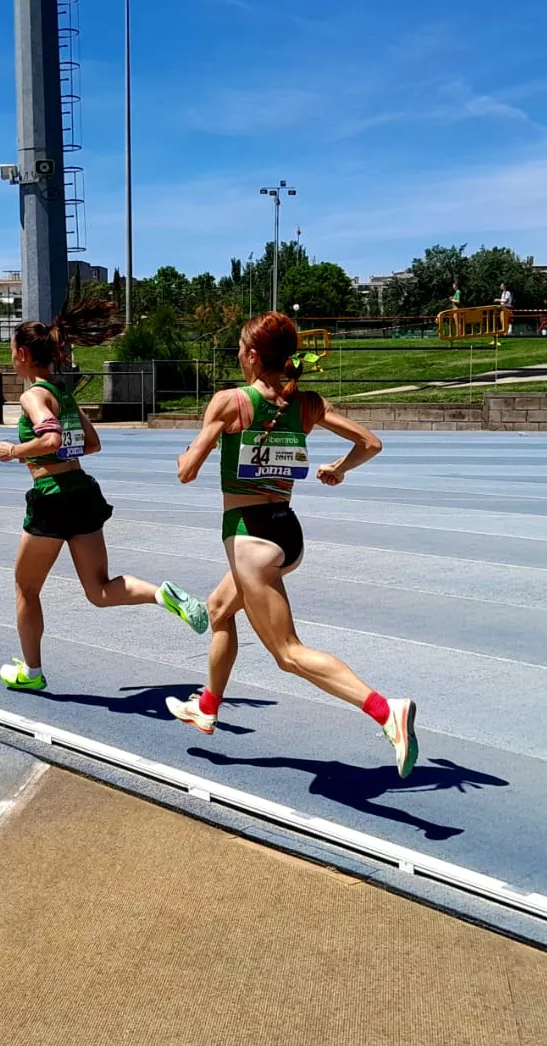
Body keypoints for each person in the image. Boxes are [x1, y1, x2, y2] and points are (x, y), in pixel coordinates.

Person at [165, 312, 419, 778]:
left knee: (287, 653)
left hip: (250, 538)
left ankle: (387, 711)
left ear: (254, 356)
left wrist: (190, 450)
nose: (239, 358)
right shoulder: (307, 403)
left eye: (241, 351)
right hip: (286, 532)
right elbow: (371, 442)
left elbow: (186, 472)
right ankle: (207, 705)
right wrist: (339, 469)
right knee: (220, 609)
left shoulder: (230, 402)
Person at [0, 301, 207, 691]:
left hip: (52, 496)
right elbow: (91, 444)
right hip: (82, 493)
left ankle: (32, 673)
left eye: (12, 352)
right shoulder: (65, 393)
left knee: (26, 588)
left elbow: (52, 438)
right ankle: (162, 594)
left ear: (23, 355)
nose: (12, 359)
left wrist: (14, 451)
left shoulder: (33, 396)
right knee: (100, 590)